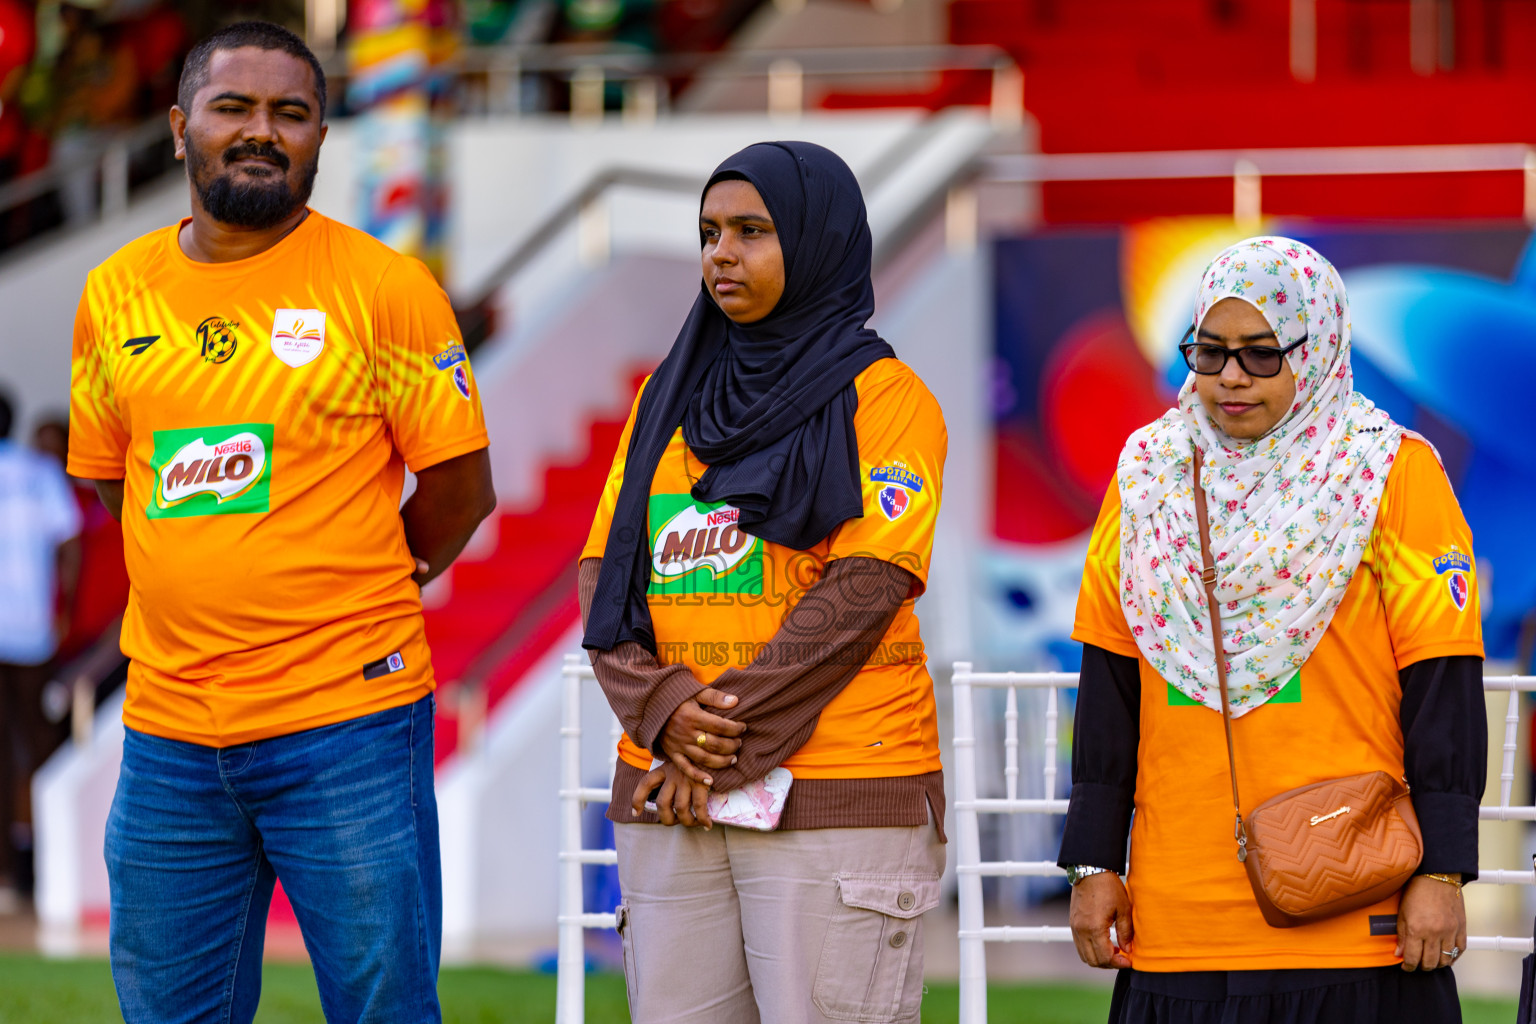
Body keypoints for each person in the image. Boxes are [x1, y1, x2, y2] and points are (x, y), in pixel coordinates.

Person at [66, 22, 494, 1023]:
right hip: (170, 730)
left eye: (289, 114)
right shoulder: (114, 291)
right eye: (234, 108)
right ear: (180, 128)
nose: (261, 132)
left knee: (383, 1005)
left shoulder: (385, 289)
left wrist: (370, 579)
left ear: (318, 137)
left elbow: (460, 487)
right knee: (169, 1012)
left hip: (348, 723)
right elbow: (111, 477)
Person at [1060, 237, 1488, 1023]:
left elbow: (1444, 687)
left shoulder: (1390, 473)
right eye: (1210, 351)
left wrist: (1444, 872)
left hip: (1356, 915)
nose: (1229, 377)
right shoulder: (1146, 476)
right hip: (1178, 919)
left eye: (1262, 355)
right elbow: (1110, 688)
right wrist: (1092, 863)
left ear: (1317, 346)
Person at [579, 141, 948, 1024]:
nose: (721, 254)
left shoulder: (888, 397)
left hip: (834, 794)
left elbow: (865, 587)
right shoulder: (665, 398)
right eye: (709, 232)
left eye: (752, 231)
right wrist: (664, 710)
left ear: (818, 242)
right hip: (672, 790)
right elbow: (606, 572)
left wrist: (715, 744)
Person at [0, 389, 82, 913]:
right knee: (40, 751)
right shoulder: (40, 472)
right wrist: (63, 609)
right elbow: (70, 543)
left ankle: (11, 875)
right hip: (33, 633)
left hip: (28, 637)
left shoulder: (38, 470)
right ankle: (44, 875)